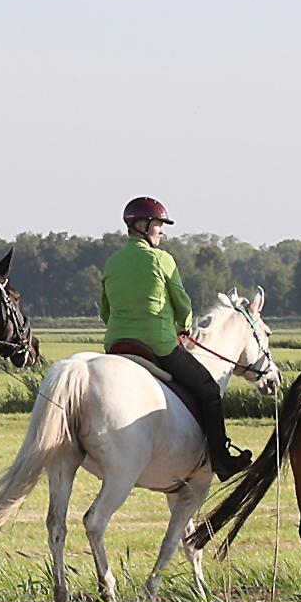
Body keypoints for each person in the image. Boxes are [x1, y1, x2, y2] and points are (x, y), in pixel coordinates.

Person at [100, 196, 247, 476]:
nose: (162, 231)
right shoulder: (161, 259)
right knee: (208, 390)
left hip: (117, 345)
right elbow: (182, 303)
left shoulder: (112, 262)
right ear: (142, 226)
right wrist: (185, 324)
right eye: (158, 224)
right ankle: (221, 458)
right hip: (159, 345)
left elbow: (106, 311)